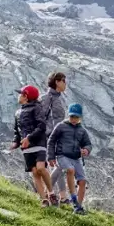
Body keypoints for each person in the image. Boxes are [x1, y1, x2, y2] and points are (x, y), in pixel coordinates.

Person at [11, 85, 57, 207]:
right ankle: (44, 200)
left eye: (20, 93)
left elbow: (41, 126)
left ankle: (51, 193)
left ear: (26, 96)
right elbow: (17, 131)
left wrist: (29, 138)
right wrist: (15, 142)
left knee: (41, 168)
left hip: (39, 143)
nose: (18, 95)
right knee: (35, 172)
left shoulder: (37, 108)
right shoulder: (17, 113)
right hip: (26, 147)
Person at [47, 103, 93, 215]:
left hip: (76, 158)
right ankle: (74, 200)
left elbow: (88, 144)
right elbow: (51, 141)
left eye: (76, 117)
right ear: (69, 115)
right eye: (72, 116)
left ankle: (78, 207)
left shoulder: (82, 130)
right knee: (70, 170)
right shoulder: (61, 126)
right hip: (62, 156)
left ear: (80, 117)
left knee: (82, 181)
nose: (73, 119)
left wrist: (86, 150)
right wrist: (51, 157)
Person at [39, 71, 69, 205]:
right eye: (64, 80)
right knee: (61, 164)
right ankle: (46, 192)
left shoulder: (58, 98)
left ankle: (63, 197)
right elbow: (40, 118)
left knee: (58, 165)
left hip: (58, 136)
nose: (65, 83)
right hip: (49, 137)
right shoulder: (47, 98)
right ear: (57, 81)